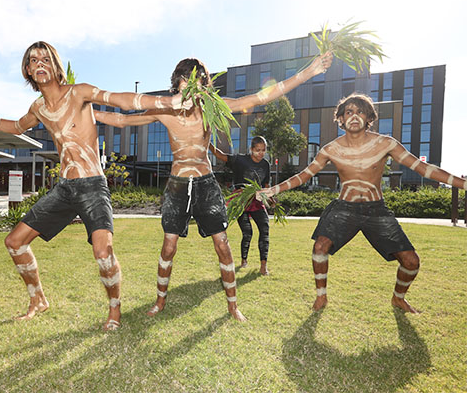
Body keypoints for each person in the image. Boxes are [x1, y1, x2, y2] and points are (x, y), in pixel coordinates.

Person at [0, 41, 188, 330]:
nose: (39, 63)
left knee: (103, 252)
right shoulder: (39, 107)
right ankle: (38, 299)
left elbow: (123, 100)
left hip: (92, 185)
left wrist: (172, 102)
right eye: (33, 60)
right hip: (65, 188)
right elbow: (15, 126)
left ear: (55, 66)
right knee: (14, 242)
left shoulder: (78, 93)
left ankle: (114, 310)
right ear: (28, 71)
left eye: (45, 58)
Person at [95, 52, 332, 321]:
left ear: (205, 84)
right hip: (177, 185)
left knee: (222, 244)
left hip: (206, 184)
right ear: (178, 82)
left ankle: (233, 306)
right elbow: (124, 119)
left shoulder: (211, 108)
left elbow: (257, 98)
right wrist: (85, 110)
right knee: (169, 246)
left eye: (196, 79)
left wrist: (309, 72)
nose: (190, 84)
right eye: (184, 79)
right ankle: (160, 301)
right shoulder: (164, 110)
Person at [256, 93, 467, 314]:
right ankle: (321, 297)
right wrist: (273, 189)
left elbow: (423, 168)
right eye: (349, 112)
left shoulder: (385, 143)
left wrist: (461, 183)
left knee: (411, 262)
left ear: (368, 118)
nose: (354, 116)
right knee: (320, 247)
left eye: (360, 112)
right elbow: (304, 175)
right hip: (344, 208)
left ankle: (398, 298)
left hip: (376, 210)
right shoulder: (331, 149)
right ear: (341, 119)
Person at [209, 136, 271, 275]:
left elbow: (266, 185)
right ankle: (244, 260)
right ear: (251, 149)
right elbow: (221, 155)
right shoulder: (240, 160)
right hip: (240, 201)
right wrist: (208, 143)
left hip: (256, 200)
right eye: (257, 150)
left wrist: (269, 197)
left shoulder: (265, 164)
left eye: (263, 150)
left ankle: (263, 265)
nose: (260, 153)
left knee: (265, 228)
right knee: (247, 232)